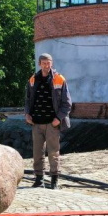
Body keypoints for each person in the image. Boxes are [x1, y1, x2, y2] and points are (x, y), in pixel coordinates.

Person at [24, 53, 72, 190]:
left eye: (49, 62)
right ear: (39, 64)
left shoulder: (59, 79)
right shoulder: (33, 79)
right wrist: (27, 114)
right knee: (37, 153)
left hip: (52, 123)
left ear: (52, 63)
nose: (47, 65)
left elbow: (67, 103)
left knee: (53, 153)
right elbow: (27, 100)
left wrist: (58, 119)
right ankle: (39, 180)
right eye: (44, 63)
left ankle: (54, 181)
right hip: (36, 123)